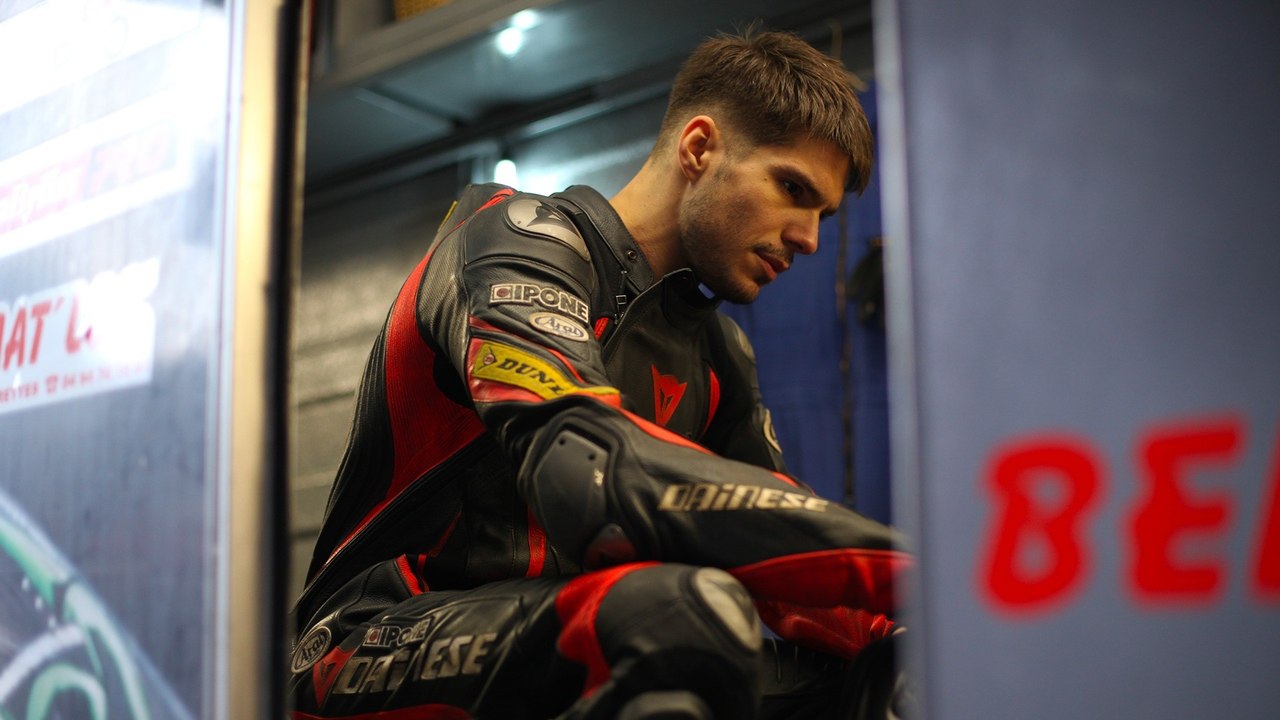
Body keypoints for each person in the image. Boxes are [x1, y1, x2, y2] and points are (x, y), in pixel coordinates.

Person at [289, 28, 913, 720]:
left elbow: (783, 570)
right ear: (699, 147)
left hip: (562, 637)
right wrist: (893, 563)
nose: (810, 239)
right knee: (679, 618)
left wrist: (921, 632)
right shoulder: (516, 240)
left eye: (823, 213)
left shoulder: (717, 354)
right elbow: (586, 467)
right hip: (365, 644)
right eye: (792, 188)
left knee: (870, 677)